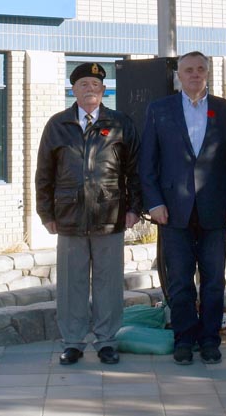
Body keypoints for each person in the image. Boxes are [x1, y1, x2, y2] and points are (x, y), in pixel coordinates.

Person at [139, 50, 226, 365]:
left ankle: (210, 340)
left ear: (208, 73)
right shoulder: (160, 110)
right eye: (189, 70)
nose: (195, 74)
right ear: (179, 75)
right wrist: (154, 203)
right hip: (173, 212)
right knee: (180, 281)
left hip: (216, 211)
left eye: (201, 69)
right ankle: (184, 339)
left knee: (214, 280)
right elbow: (148, 162)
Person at [35, 62, 141, 365]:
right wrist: (46, 213)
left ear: (104, 90)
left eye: (95, 85)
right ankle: (73, 342)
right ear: (73, 90)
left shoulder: (120, 124)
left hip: (111, 213)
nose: (90, 90)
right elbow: (44, 173)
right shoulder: (58, 125)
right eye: (84, 85)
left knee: (109, 282)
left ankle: (107, 341)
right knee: (72, 283)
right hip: (68, 216)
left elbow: (134, 170)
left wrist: (134, 207)